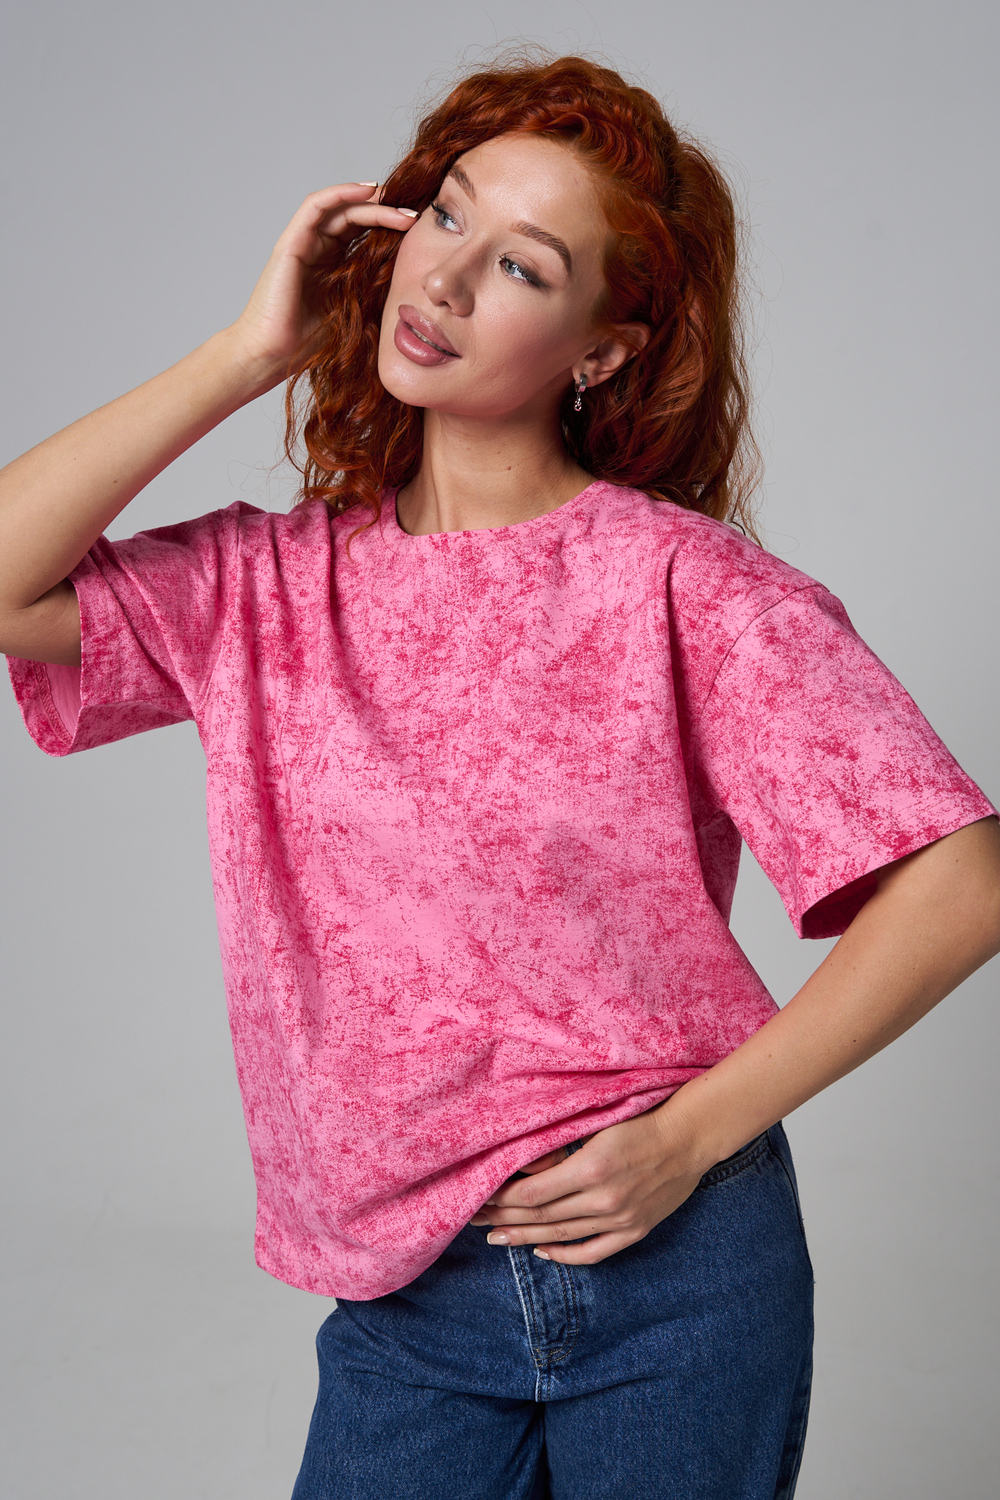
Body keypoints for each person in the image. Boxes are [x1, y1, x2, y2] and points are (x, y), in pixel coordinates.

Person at [1, 52, 998, 1500]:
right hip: (406, 1297)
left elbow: (962, 885)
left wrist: (689, 1139)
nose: (448, 279)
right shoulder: (265, 587)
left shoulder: (689, 590)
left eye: (524, 266)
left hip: (675, 1272)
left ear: (603, 348)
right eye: (447, 214)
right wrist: (244, 354)